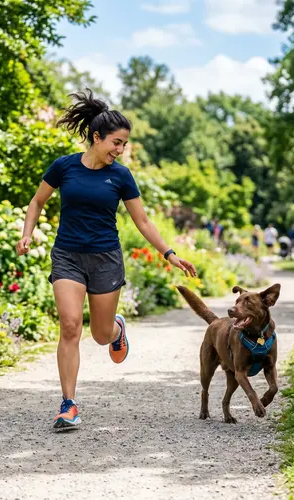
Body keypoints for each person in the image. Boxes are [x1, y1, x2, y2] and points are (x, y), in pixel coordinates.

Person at [15, 89, 197, 430]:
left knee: (100, 335)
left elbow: (142, 221)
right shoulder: (64, 167)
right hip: (67, 255)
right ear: (96, 138)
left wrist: (170, 254)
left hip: (105, 259)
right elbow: (37, 201)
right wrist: (27, 231)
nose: (120, 150)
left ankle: (117, 329)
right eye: (116, 142)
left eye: (124, 144)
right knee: (69, 326)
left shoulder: (121, 176)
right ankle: (68, 405)